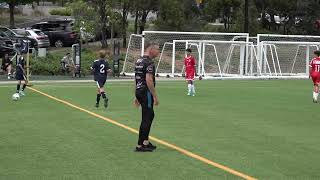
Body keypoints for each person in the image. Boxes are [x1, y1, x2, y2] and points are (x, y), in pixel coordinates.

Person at [134, 43, 160, 152]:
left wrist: (136, 95)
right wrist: (154, 95)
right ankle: (141, 144)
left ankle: (145, 141)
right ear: (151, 49)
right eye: (157, 50)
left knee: (149, 115)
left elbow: (136, 78)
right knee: (147, 116)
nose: (158, 52)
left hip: (139, 91)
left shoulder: (139, 61)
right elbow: (148, 80)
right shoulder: (149, 62)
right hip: (146, 92)